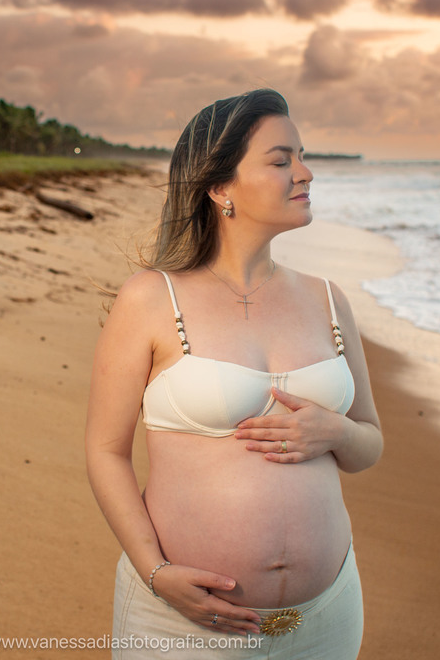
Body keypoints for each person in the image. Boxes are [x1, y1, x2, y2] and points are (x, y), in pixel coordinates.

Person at [86, 89, 382, 659]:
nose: (305, 172)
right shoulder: (152, 298)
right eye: (280, 160)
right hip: (183, 622)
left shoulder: (328, 300)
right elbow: (105, 451)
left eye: (301, 155)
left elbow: (368, 443)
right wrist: (155, 572)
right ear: (219, 188)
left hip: (323, 620)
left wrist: (337, 432)